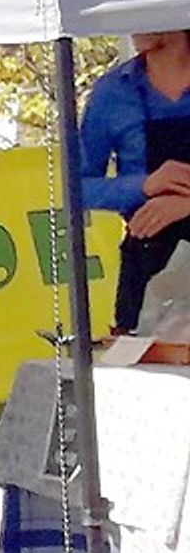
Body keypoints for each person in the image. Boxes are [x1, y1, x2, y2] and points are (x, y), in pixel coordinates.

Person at [78, 28, 190, 332]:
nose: (135, 23)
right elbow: (77, 187)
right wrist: (143, 185)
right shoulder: (111, 92)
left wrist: (184, 205)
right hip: (147, 265)